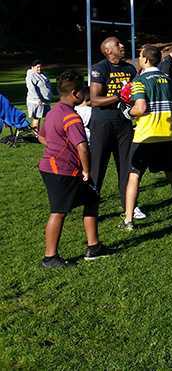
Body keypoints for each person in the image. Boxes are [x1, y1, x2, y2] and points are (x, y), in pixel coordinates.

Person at [36, 71, 110, 268]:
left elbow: (41, 136)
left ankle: (94, 247)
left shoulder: (52, 112)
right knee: (58, 211)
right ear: (76, 93)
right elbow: (82, 147)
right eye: (83, 91)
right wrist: (87, 170)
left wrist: (55, 145)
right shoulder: (71, 117)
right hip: (61, 171)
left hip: (52, 167)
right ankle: (50, 257)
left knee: (91, 198)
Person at [118, 45, 172, 231]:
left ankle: (128, 220)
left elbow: (140, 108)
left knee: (134, 176)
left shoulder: (140, 81)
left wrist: (127, 112)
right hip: (166, 136)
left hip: (145, 136)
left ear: (146, 59)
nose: (138, 59)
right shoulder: (168, 80)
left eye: (140, 56)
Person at [88, 36, 138, 216]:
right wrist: (119, 96)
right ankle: (91, 207)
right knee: (97, 167)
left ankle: (129, 206)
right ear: (108, 50)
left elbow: (135, 94)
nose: (122, 45)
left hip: (124, 122)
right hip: (103, 123)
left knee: (126, 165)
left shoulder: (130, 68)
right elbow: (94, 100)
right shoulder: (100, 68)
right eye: (118, 44)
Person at [25, 59, 52, 135]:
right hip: (36, 101)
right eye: (37, 67)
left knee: (48, 117)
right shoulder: (31, 76)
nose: (39, 69)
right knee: (37, 118)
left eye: (40, 67)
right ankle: (36, 135)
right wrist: (37, 99)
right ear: (32, 67)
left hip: (45, 100)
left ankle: (45, 133)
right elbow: (31, 88)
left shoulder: (42, 74)